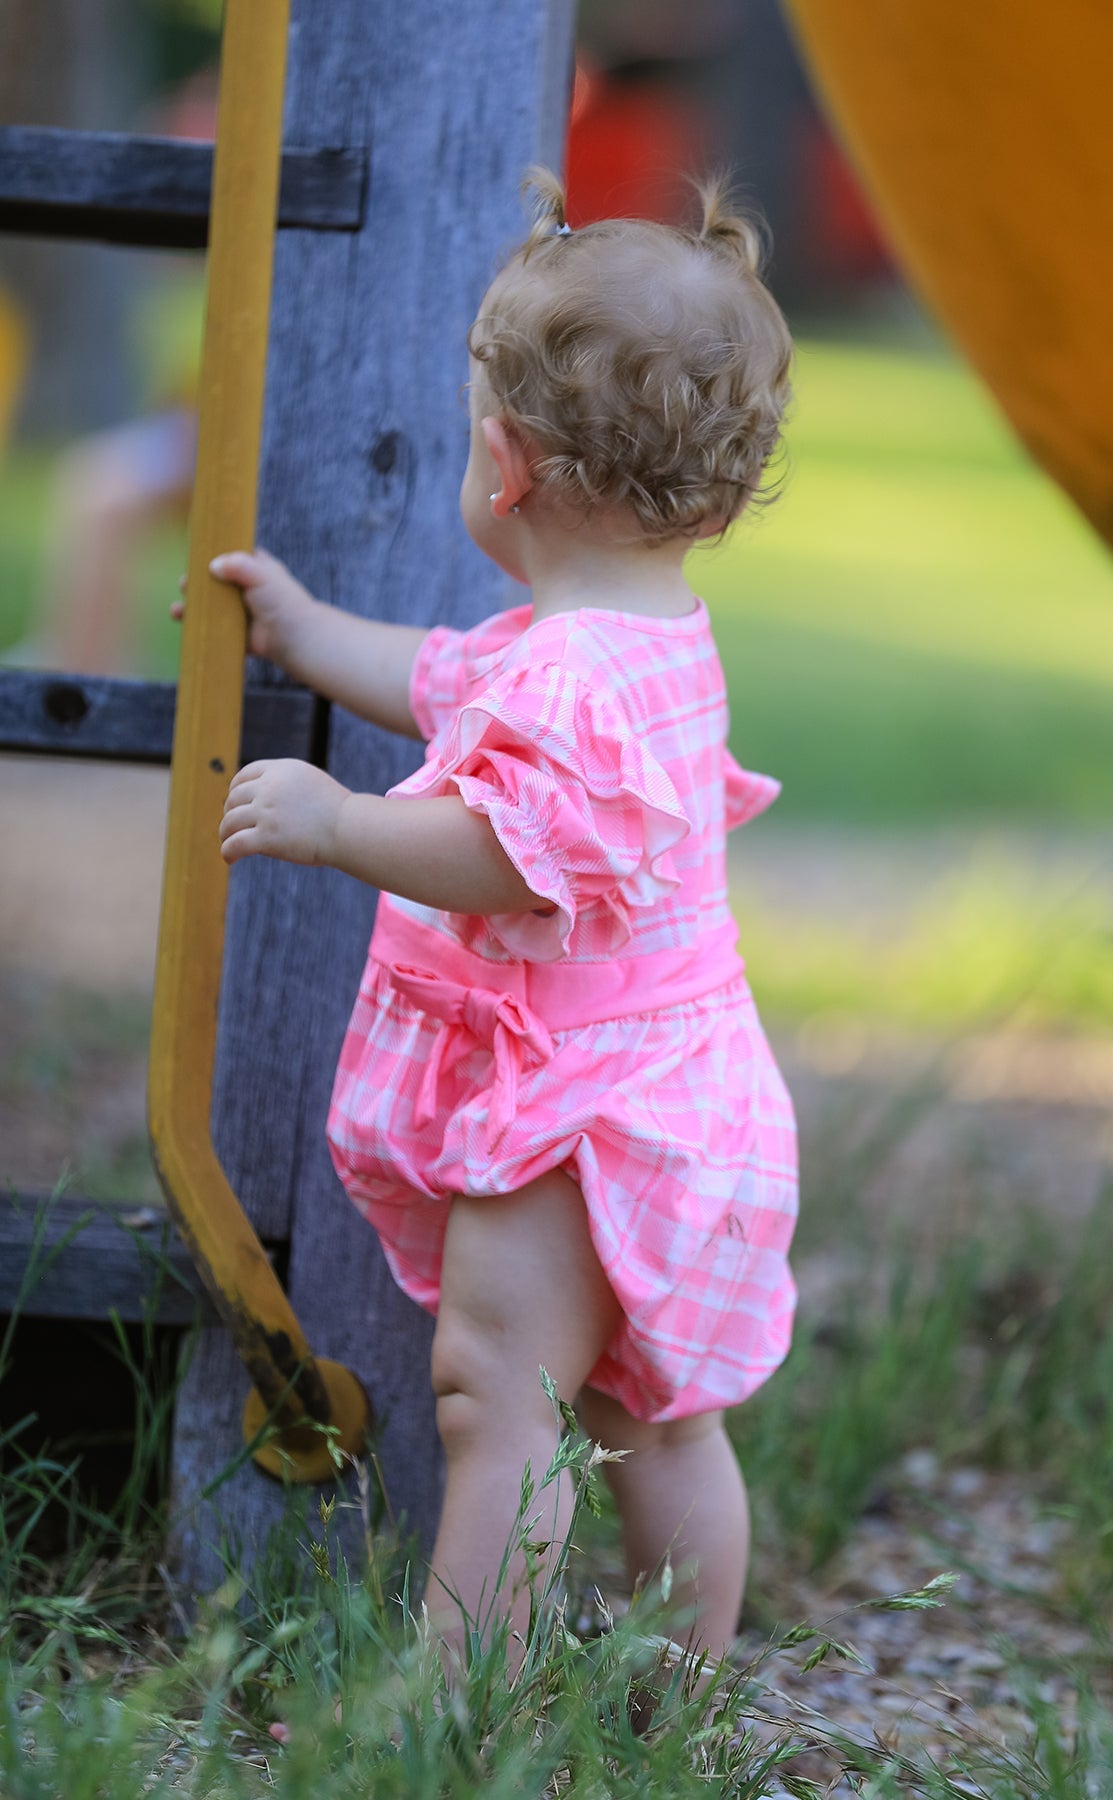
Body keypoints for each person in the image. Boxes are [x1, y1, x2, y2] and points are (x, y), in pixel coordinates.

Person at [200, 168, 797, 1675]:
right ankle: (679, 1680)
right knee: (655, 1415)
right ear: (720, 490)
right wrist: (300, 630)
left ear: (502, 460)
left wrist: (341, 826)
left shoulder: (574, 677)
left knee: (495, 1395)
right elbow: (443, 679)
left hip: (582, 1108)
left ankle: (456, 1696)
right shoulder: (628, 639)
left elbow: (509, 853)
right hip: (669, 1086)